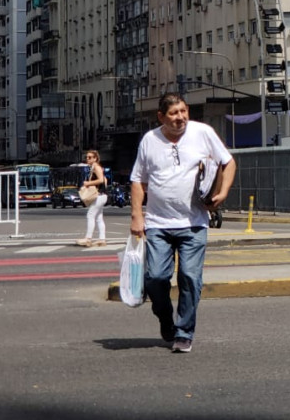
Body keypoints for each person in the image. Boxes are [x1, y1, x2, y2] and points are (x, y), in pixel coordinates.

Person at [131, 92, 236, 353]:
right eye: (173, 113)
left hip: (194, 223)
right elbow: (137, 179)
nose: (180, 118)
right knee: (155, 278)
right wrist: (137, 215)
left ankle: (184, 332)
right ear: (161, 117)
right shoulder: (149, 140)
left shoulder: (203, 132)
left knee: (189, 277)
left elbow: (228, 162)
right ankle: (166, 318)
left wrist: (222, 194)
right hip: (158, 224)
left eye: (183, 111)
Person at [75, 149, 108, 247]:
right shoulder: (95, 167)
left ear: (95, 158)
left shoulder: (96, 167)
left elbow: (101, 180)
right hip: (102, 195)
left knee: (90, 215)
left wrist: (88, 183)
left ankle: (88, 239)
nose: (87, 159)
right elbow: (104, 180)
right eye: (87, 157)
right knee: (99, 218)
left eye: (90, 157)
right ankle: (102, 239)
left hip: (99, 195)